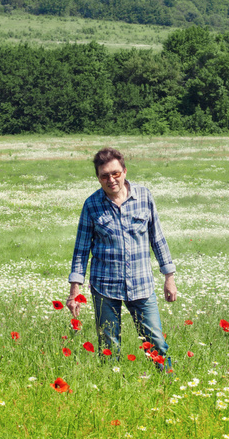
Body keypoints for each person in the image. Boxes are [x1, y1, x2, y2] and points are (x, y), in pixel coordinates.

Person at [68, 147, 177, 368]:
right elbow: (81, 250)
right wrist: (74, 291)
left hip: (141, 285)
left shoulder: (144, 196)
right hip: (104, 287)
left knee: (156, 342)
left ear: (124, 171)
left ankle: (168, 384)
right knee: (108, 348)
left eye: (115, 173)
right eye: (104, 176)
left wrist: (169, 276)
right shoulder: (91, 205)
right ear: (98, 178)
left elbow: (157, 238)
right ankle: (110, 389)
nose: (111, 180)